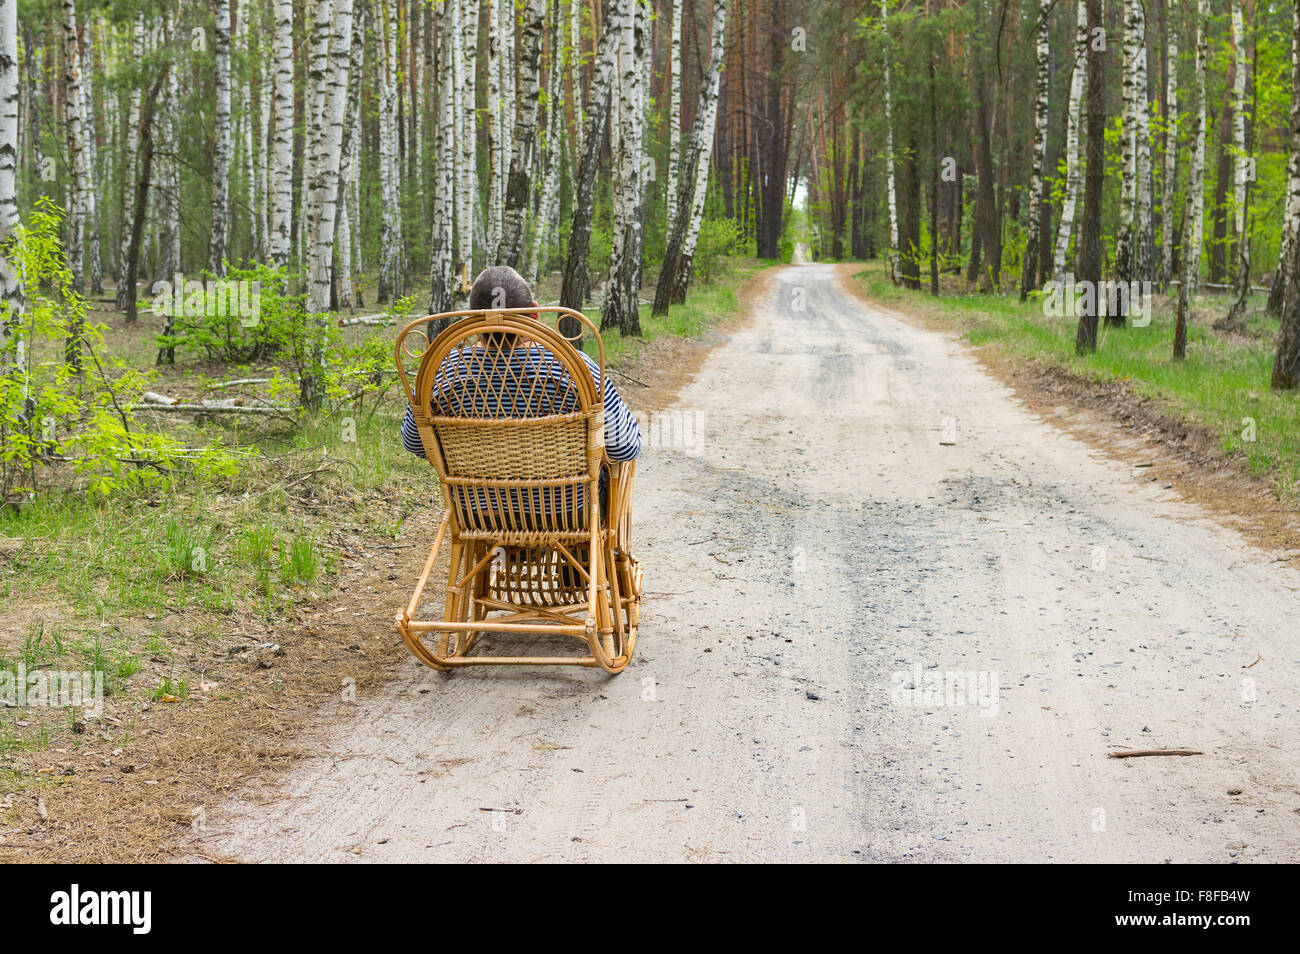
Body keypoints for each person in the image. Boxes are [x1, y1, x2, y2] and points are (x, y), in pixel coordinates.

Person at [400, 266, 642, 518]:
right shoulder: (574, 368)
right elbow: (623, 448)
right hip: (567, 513)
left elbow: (415, 443)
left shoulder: (441, 370)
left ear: (471, 319)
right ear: (535, 312)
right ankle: (590, 552)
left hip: (478, 513)